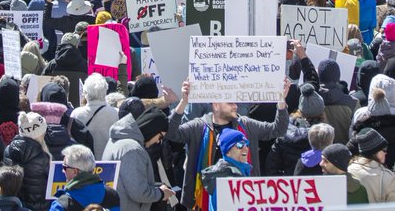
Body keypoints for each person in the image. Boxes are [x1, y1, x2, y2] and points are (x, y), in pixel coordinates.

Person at [167, 78, 289, 211]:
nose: (236, 106)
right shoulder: (198, 126)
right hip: (206, 199)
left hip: (243, 197)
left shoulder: (246, 125)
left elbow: (278, 130)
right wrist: (184, 102)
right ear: (216, 105)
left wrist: (281, 102)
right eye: (230, 102)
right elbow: (171, 133)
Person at [102, 109, 174, 211]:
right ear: (152, 129)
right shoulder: (132, 149)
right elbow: (138, 192)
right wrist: (161, 193)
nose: (158, 141)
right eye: (160, 136)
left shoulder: (118, 139)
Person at [48, 144, 119, 211]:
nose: (63, 170)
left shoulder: (61, 205)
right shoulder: (112, 195)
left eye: (64, 167)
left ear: (75, 171)